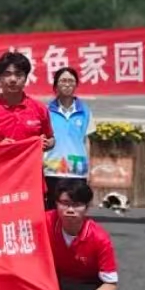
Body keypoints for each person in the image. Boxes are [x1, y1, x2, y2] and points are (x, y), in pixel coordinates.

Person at [47, 179, 127, 290]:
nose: (70, 210)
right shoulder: (44, 222)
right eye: (64, 203)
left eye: (77, 205)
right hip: (49, 279)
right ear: (56, 203)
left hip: (83, 285)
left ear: (87, 207)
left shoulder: (99, 238)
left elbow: (110, 284)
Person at [0, 52, 55, 150]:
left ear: (26, 78)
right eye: (7, 74)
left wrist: (48, 143)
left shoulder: (39, 108)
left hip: (32, 160)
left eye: (18, 74)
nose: (13, 79)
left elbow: (50, 138)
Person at [43, 66, 96, 209]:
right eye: (63, 81)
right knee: (52, 210)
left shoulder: (85, 111)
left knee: (74, 211)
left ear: (76, 85)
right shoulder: (45, 111)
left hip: (77, 171)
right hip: (52, 170)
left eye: (71, 81)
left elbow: (86, 141)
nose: (67, 84)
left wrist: (89, 170)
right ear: (55, 85)